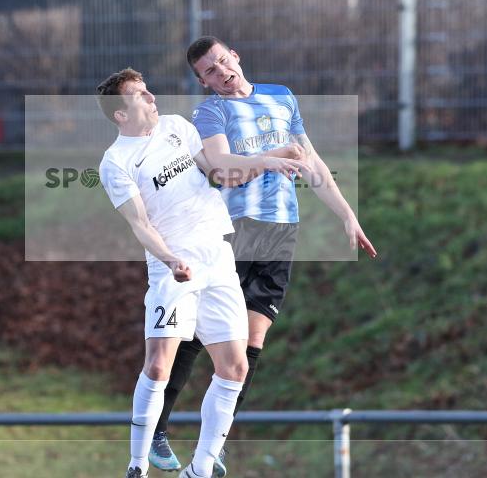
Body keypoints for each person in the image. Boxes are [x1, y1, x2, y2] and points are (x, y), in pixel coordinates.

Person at [149, 36, 378, 476]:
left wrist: (347, 215)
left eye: (222, 62)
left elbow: (309, 160)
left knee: (253, 341)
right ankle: (156, 429)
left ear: (235, 54)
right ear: (203, 82)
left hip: (280, 234)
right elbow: (222, 168)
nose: (221, 73)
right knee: (203, 333)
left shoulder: (281, 96)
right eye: (209, 72)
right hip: (233, 231)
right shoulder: (210, 112)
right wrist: (271, 158)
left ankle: (214, 445)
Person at [96, 68, 308, 478]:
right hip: (173, 268)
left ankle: (201, 469)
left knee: (235, 367)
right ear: (121, 115)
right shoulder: (116, 161)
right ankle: (137, 465)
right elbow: (140, 224)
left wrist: (270, 159)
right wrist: (170, 258)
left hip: (218, 257)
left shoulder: (177, 127)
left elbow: (220, 171)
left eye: (148, 90)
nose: (152, 98)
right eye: (140, 96)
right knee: (158, 365)